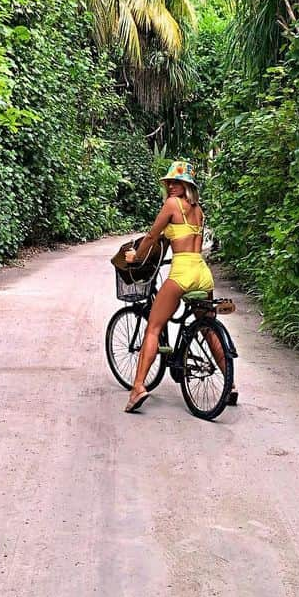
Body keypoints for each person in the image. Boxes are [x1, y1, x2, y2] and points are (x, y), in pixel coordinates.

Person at [122, 161, 232, 413]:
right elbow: (179, 235)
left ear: (186, 185)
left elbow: (151, 237)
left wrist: (136, 258)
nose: (171, 186)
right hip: (202, 272)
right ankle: (230, 384)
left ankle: (137, 387)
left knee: (153, 327)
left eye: (176, 182)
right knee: (208, 329)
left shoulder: (171, 205)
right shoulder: (198, 210)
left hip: (182, 271)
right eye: (169, 182)